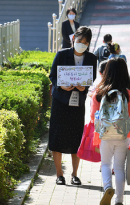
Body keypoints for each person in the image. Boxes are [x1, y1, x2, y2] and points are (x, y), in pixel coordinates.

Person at [90, 58, 130, 205]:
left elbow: (92, 117)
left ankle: (108, 187)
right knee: (119, 167)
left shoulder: (99, 93)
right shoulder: (128, 94)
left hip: (104, 134)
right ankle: (119, 202)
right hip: (123, 135)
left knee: (106, 164)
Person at [49, 26, 97, 185]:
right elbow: (53, 76)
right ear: (73, 40)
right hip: (60, 101)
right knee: (57, 136)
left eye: (85, 42)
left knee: (76, 137)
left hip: (78, 102)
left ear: (88, 44)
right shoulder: (62, 54)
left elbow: (91, 78)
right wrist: (60, 86)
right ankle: (59, 175)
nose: (81, 44)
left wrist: (85, 87)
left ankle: (74, 174)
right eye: (79, 41)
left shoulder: (91, 58)